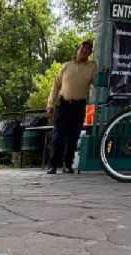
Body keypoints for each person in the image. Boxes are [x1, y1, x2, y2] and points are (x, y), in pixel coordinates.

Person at [46, 39, 96, 175]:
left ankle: (67, 164)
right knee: (58, 136)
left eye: (88, 49)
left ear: (90, 53)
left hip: (79, 106)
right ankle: (52, 165)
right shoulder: (66, 66)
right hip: (63, 105)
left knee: (73, 137)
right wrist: (50, 104)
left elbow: (97, 82)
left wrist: (102, 73)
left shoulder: (91, 67)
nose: (84, 50)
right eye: (82, 47)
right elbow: (55, 86)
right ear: (78, 49)